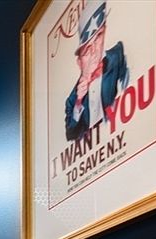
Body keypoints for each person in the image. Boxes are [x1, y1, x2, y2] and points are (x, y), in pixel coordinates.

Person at [64, 1, 129, 141]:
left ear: (105, 32)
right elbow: (70, 135)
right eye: (87, 49)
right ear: (79, 62)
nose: (94, 51)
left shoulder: (118, 57)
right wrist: (79, 102)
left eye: (98, 36)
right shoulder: (72, 99)